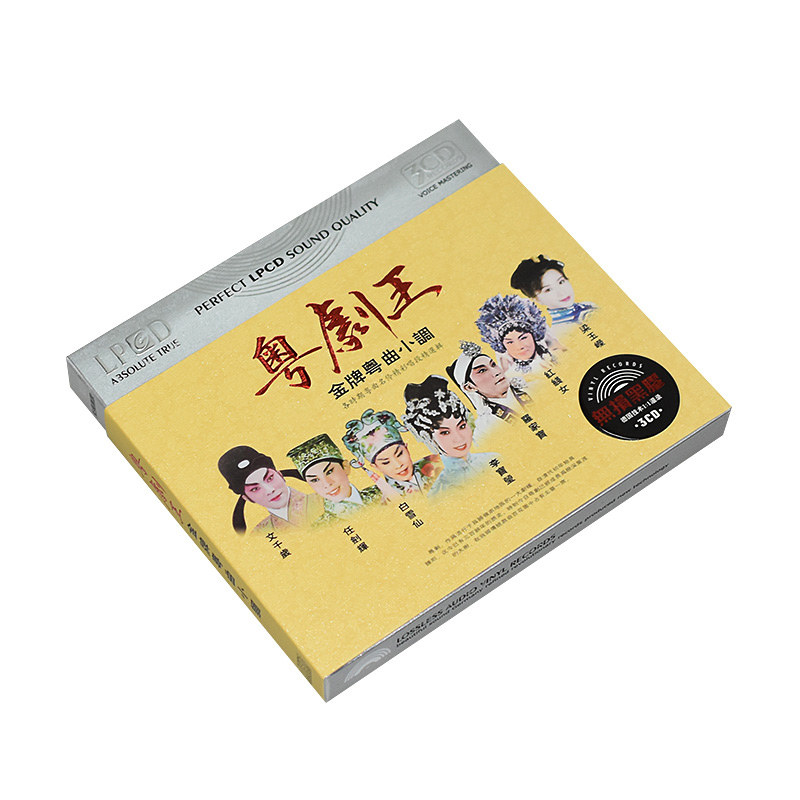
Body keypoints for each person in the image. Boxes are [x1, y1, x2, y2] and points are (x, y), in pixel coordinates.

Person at [403, 375, 499, 497]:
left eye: (462, 426)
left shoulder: (494, 459)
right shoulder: (440, 494)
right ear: (426, 436)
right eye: (445, 432)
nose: (459, 438)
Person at [217, 445, 322, 534]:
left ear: (280, 475)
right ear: (247, 498)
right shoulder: (259, 533)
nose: (270, 490)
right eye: (255, 489)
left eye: (270, 478)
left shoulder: (324, 500)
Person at [342, 408, 443, 498]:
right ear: (375, 467)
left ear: (406, 448)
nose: (398, 465)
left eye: (399, 454)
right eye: (386, 462)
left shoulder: (438, 463)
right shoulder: (377, 496)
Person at [286, 433, 383, 526]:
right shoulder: (322, 527)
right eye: (315, 480)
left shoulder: (382, 492)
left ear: (345, 467)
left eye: (329, 472)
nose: (327, 484)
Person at [446, 340, 532, 435]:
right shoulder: (485, 428)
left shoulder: (531, 387)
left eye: (493, 365)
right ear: (470, 387)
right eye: (482, 370)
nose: (496, 372)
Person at [475, 293, 555, 375]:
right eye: (510, 342)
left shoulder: (555, 357)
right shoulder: (508, 374)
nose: (519, 347)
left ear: (534, 336)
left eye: (523, 338)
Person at [511, 254, 597, 326]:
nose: (562, 292)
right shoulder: (560, 332)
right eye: (548, 290)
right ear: (536, 299)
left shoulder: (589, 305)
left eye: (561, 282)